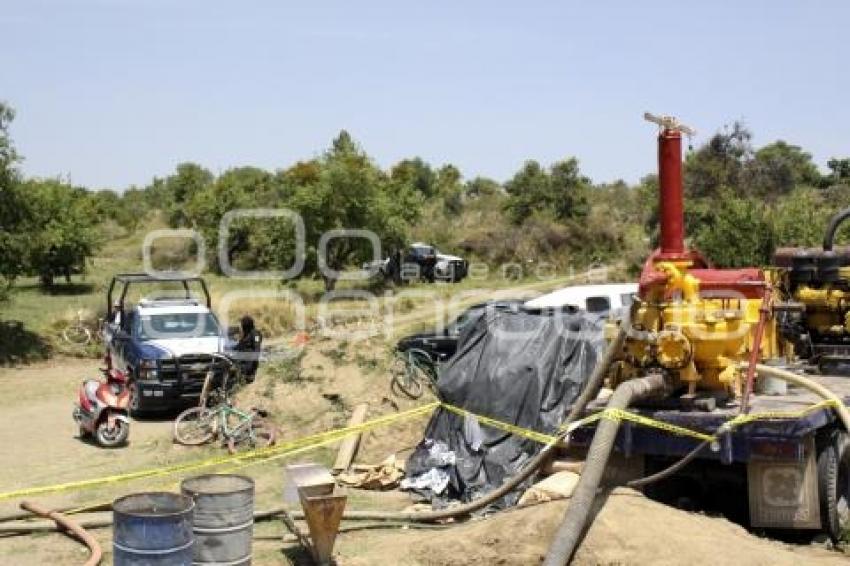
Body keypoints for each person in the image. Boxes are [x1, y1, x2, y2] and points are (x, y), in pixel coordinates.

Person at [234, 315, 262, 382]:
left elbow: (257, 349)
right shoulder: (246, 334)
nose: (241, 327)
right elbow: (240, 346)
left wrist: (251, 364)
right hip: (242, 363)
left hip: (249, 364)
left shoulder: (255, 334)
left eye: (242, 325)